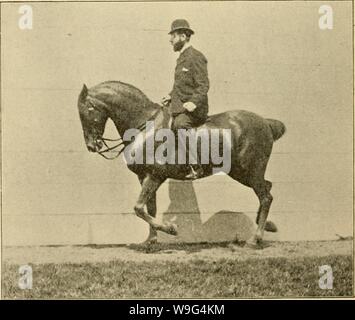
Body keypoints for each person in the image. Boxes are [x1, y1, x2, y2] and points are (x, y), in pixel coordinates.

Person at [161, 19, 210, 179]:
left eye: (173, 36)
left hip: (194, 109)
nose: (170, 40)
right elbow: (182, 85)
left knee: (180, 124)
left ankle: (196, 166)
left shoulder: (196, 57)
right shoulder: (182, 58)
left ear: (183, 36)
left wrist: (193, 102)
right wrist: (170, 95)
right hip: (180, 106)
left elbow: (203, 85)